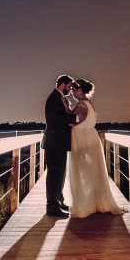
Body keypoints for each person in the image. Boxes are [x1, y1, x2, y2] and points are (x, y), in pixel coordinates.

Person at [68, 78, 124, 218]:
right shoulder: (90, 104)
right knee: (92, 171)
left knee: (82, 171)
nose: (72, 92)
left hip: (82, 139)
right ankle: (95, 203)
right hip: (91, 137)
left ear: (80, 90)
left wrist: (65, 106)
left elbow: (70, 120)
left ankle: (84, 206)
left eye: (74, 90)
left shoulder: (81, 104)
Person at [43, 74, 79, 217]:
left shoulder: (59, 98)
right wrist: (76, 118)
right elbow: (57, 117)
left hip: (59, 143)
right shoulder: (54, 98)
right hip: (54, 142)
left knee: (61, 174)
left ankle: (59, 201)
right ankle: (52, 207)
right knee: (54, 175)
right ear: (62, 84)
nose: (70, 90)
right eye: (69, 86)